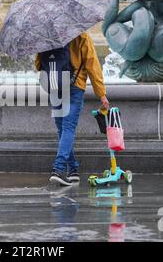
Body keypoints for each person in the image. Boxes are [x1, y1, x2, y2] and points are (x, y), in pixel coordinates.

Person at [35, 32, 110, 186]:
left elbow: (38, 64)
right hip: (75, 86)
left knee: (62, 129)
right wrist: (101, 94)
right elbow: (92, 65)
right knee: (68, 128)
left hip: (55, 86)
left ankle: (73, 169)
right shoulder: (81, 37)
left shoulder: (46, 36)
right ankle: (59, 169)